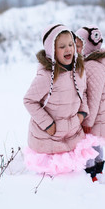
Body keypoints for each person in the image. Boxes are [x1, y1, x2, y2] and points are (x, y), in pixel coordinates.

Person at [23, 24, 100, 176]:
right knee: (57, 182)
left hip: (72, 135)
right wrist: (48, 124)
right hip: (49, 139)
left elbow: (82, 92)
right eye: (62, 46)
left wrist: (82, 113)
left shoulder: (78, 71)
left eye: (71, 44)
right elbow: (29, 100)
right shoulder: (46, 76)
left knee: (76, 178)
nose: (68, 49)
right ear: (52, 50)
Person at [75, 25, 105, 182]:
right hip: (100, 111)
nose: (76, 48)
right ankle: (98, 171)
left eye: (79, 45)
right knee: (95, 142)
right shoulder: (96, 61)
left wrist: (87, 120)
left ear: (88, 44)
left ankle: (91, 174)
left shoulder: (92, 66)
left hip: (95, 114)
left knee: (88, 144)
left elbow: (93, 97)